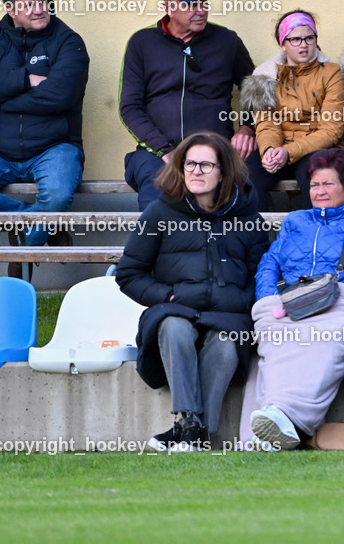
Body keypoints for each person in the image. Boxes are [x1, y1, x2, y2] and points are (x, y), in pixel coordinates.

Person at [115, 131, 269, 451]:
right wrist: (167, 296)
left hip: (229, 315)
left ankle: (196, 434)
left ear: (224, 171)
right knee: (173, 326)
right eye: (189, 164)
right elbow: (128, 274)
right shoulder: (159, 213)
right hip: (177, 307)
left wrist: (242, 300)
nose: (196, 171)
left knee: (227, 342)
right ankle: (190, 424)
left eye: (205, 165)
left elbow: (263, 277)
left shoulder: (249, 220)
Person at [242, 148, 344, 450]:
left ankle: (287, 418)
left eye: (328, 184)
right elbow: (270, 263)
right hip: (291, 305)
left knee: (321, 337)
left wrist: (333, 289)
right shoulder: (295, 221)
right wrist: (270, 299)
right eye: (314, 185)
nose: (320, 192)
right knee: (274, 341)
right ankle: (270, 425)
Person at [0, 0, 89, 279]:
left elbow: (59, 96)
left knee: (57, 196)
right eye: (29, 3)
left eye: (43, 1)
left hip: (54, 148)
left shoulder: (68, 42)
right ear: (10, 8)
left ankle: (22, 248)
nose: (39, 9)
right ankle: (45, 225)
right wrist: (26, 79)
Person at [120, 0, 255, 210]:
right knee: (157, 199)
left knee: (231, 200)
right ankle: (158, 248)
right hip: (157, 152)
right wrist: (165, 151)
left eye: (204, 2)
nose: (201, 10)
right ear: (169, 7)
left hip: (216, 148)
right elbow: (129, 108)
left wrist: (247, 127)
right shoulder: (142, 43)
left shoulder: (226, 41)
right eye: (191, 4)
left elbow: (254, 89)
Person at [240, 10, 344, 211]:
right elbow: (266, 124)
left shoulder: (331, 72)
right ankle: (259, 238)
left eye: (309, 38)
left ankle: (310, 237)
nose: (303, 45)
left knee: (317, 177)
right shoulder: (264, 76)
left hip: (318, 147)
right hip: (280, 147)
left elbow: (331, 131)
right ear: (283, 44)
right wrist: (269, 151)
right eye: (295, 40)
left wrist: (287, 152)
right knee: (247, 177)